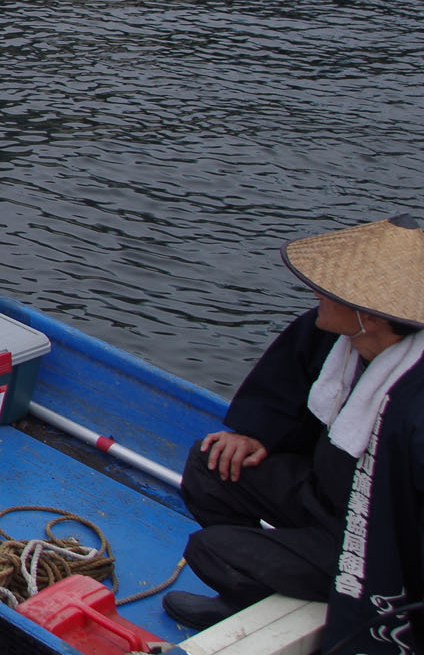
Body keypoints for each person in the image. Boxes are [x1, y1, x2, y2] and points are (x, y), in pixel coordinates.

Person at [165, 214, 424, 652]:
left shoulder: (415, 402)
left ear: (372, 317)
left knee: (212, 549)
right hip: (322, 494)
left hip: (367, 538)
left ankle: (268, 589)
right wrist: (255, 433)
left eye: (331, 289)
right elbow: (286, 385)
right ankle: (254, 592)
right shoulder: (335, 335)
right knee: (211, 464)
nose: (318, 294)